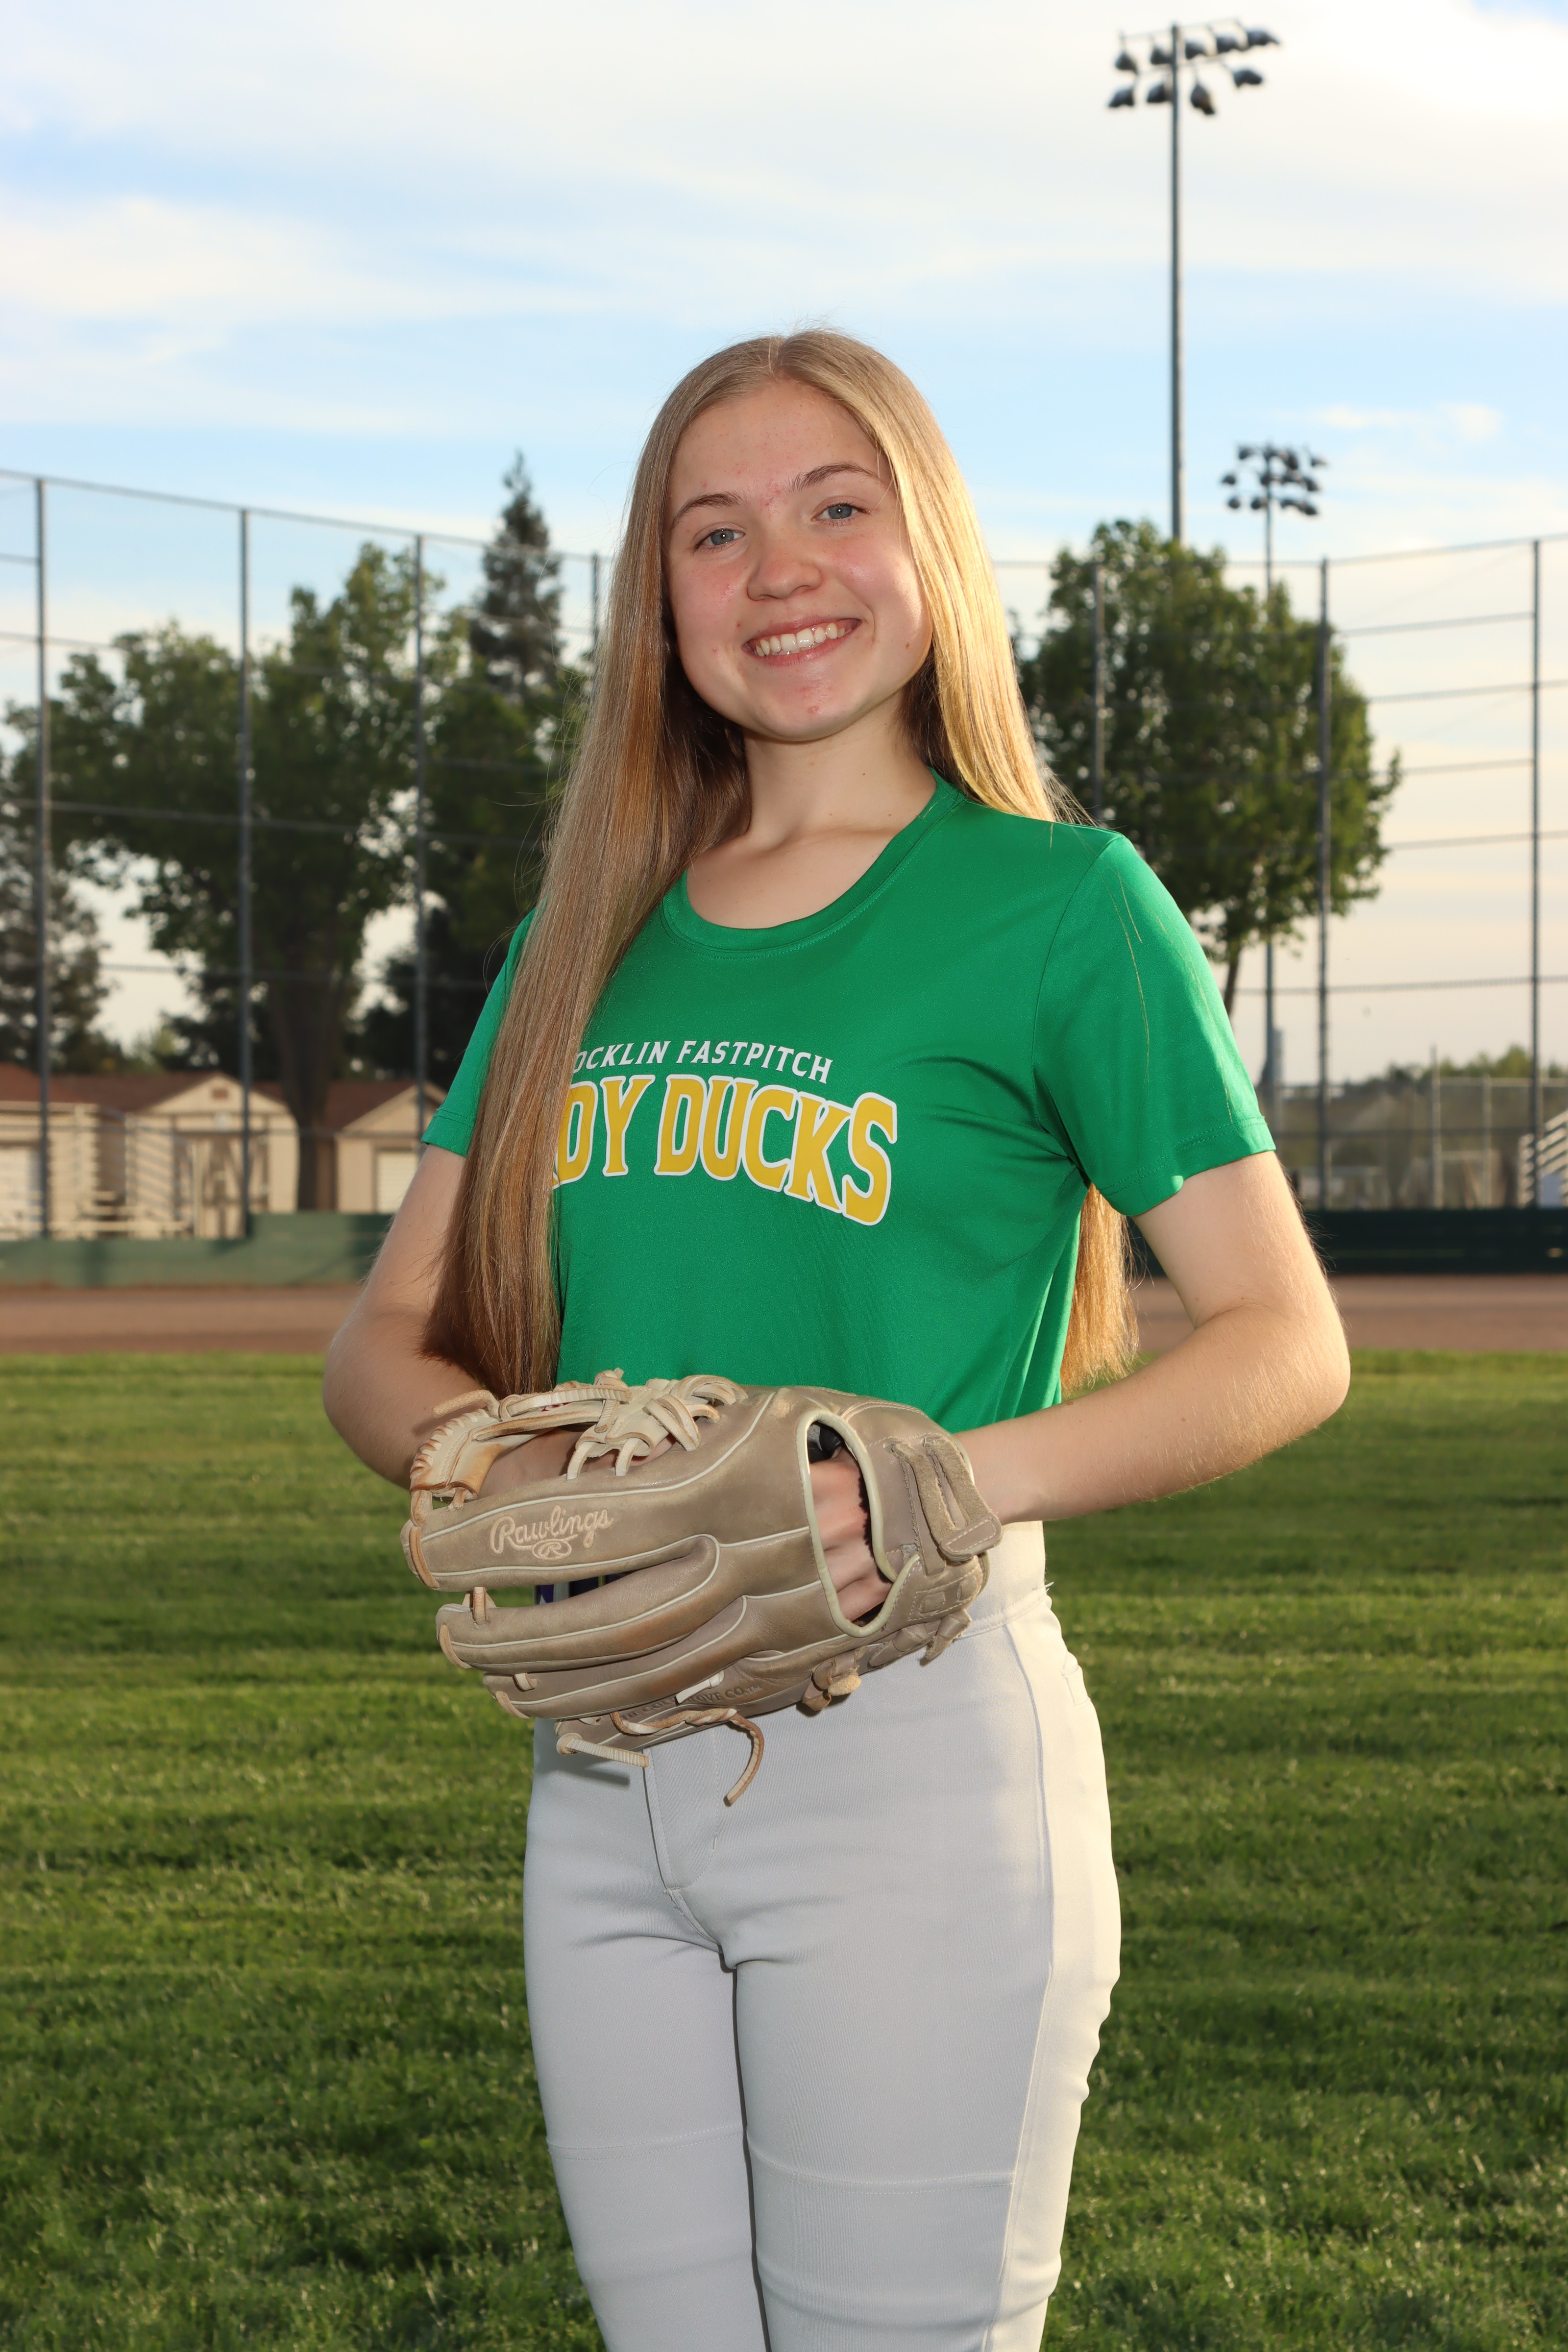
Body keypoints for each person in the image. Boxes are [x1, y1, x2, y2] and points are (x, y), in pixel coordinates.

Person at [323, 329, 1348, 2352]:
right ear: (659, 601)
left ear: (929, 548)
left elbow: (1279, 1342)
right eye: (714, 531)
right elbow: (384, 1350)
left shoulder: (1059, 904)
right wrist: (523, 1466)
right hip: (604, 1756)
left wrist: (925, 1483)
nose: (778, 566)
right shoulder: (582, 932)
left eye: (835, 506)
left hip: (910, 1744)